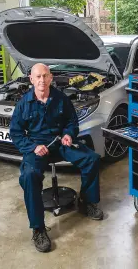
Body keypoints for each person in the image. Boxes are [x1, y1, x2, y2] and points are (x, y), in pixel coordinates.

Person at [10, 63, 103, 253]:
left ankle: (87, 202)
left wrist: (69, 134)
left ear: (51, 78)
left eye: (45, 76)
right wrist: (33, 147)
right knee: (29, 176)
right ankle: (38, 228)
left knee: (91, 158)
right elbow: (16, 133)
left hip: (60, 143)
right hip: (37, 148)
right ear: (31, 79)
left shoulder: (61, 98)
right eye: (38, 77)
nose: (42, 80)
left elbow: (71, 121)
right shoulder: (24, 103)